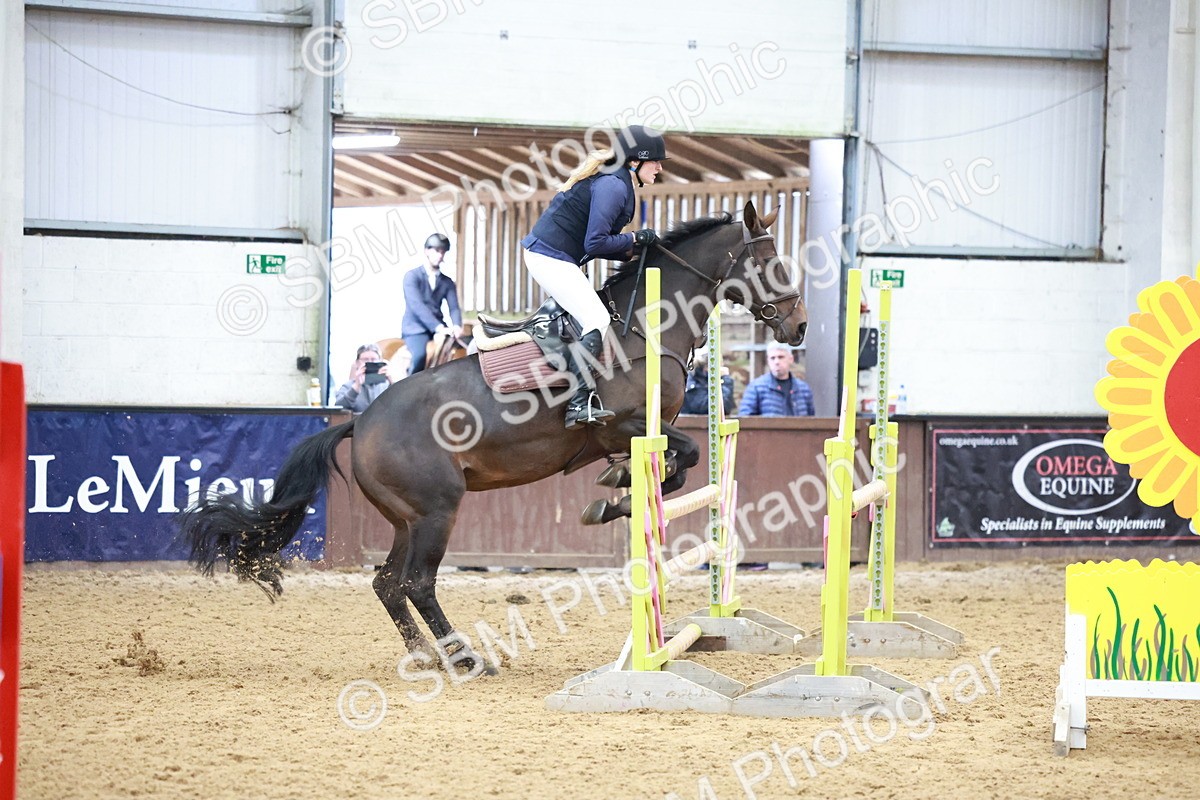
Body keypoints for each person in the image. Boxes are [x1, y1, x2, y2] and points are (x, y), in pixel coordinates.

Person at [519, 124, 667, 429]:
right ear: (636, 161)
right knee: (597, 319)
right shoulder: (613, 185)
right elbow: (595, 243)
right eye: (656, 161)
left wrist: (636, 249)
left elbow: (603, 244)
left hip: (558, 258)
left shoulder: (621, 182)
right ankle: (577, 403)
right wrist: (636, 239)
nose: (660, 167)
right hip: (548, 257)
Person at [402, 233, 463, 375]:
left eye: (443, 252)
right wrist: (438, 327)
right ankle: (409, 390)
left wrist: (456, 325)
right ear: (427, 251)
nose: (440, 255)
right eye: (436, 250)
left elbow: (454, 307)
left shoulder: (447, 282)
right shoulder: (412, 277)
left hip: (440, 327)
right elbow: (417, 306)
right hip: (416, 329)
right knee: (419, 356)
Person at [738, 343, 815, 417]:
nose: (776, 362)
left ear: (791, 359)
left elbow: (811, 422)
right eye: (772, 358)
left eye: (781, 357)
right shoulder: (756, 387)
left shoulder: (803, 389)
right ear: (768, 360)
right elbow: (746, 419)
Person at [334, 343, 393, 413]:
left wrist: (392, 382)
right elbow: (339, 407)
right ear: (357, 363)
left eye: (374, 359)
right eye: (365, 360)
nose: (370, 362)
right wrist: (356, 387)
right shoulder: (348, 386)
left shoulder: (387, 385)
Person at [679, 349, 734, 415]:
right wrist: (726, 380)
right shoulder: (692, 383)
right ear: (707, 367)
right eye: (719, 365)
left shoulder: (707, 380)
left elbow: (727, 408)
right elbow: (716, 408)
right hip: (693, 424)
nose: (722, 369)